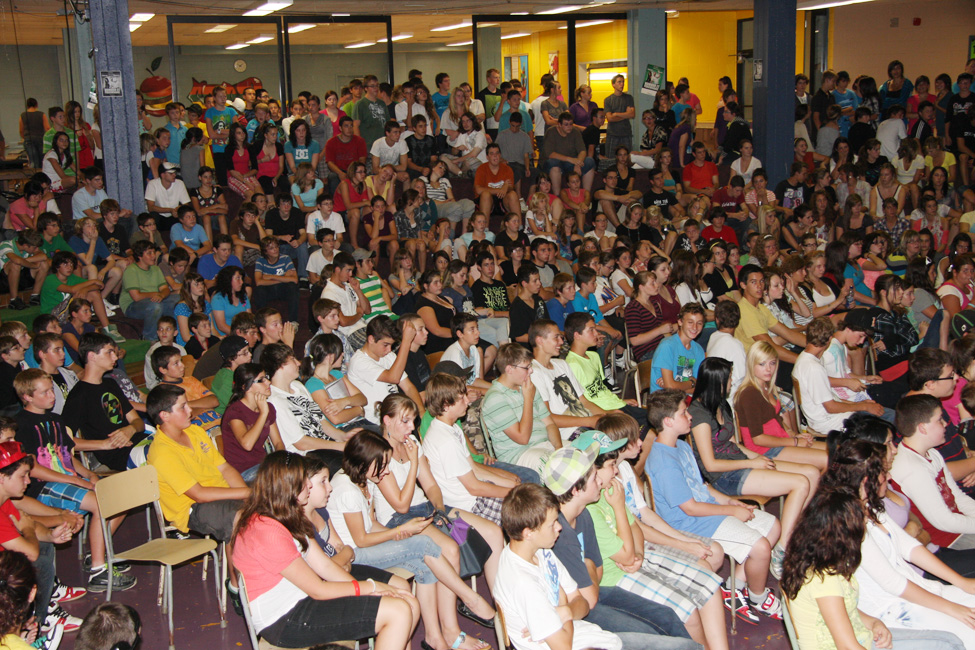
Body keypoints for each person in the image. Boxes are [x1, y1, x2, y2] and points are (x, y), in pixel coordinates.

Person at [232, 450, 419, 650]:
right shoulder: (266, 530)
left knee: (408, 602)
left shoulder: (287, 516)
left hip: (302, 600)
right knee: (398, 611)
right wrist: (371, 588)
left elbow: (325, 567)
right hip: (284, 620)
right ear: (287, 487)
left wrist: (366, 588)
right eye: (304, 481)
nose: (309, 485)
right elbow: (319, 589)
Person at [646, 389, 783, 621]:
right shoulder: (663, 462)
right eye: (683, 413)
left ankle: (735, 587)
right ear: (668, 421)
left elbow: (702, 487)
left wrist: (731, 501)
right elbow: (690, 508)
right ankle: (758, 596)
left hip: (708, 512)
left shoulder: (681, 446)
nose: (690, 416)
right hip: (692, 524)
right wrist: (731, 511)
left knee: (772, 526)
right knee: (760, 547)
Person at [780, 485, 965, 650]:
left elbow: (841, 608)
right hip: (852, 644)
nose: (867, 521)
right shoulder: (825, 579)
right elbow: (847, 646)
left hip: (863, 636)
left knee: (949, 640)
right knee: (948, 644)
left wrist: (874, 622)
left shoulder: (829, 561)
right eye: (862, 518)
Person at [63, 333, 147, 472]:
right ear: (92, 356)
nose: (115, 357)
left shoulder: (111, 384)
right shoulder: (79, 395)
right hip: (120, 455)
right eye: (109, 352)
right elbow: (64, 441)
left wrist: (130, 428)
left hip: (140, 441)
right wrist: (105, 444)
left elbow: (137, 421)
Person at [565, 313, 648, 428]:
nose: (596, 333)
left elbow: (601, 390)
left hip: (615, 406)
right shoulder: (572, 365)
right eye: (591, 330)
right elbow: (583, 403)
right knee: (651, 428)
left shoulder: (593, 356)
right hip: (604, 413)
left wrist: (622, 400)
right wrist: (609, 413)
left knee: (656, 419)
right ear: (577, 335)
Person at [121, 240, 179, 341]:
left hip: (153, 299)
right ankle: (150, 339)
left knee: (177, 299)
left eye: (153, 252)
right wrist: (156, 294)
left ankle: (172, 336)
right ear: (140, 256)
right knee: (155, 306)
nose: (153, 256)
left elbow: (165, 289)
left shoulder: (156, 269)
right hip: (132, 306)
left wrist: (161, 295)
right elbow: (136, 296)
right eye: (149, 253)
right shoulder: (131, 270)